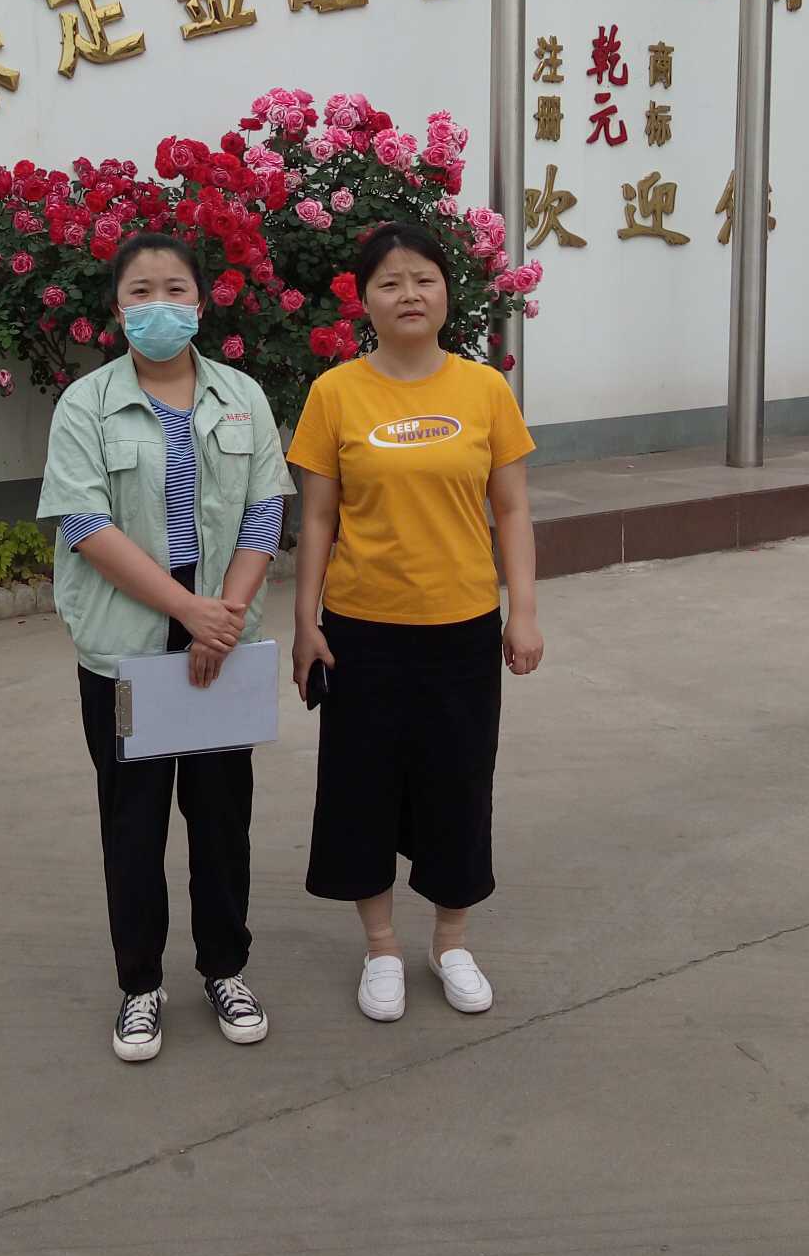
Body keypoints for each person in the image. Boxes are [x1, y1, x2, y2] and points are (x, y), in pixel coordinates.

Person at [39, 232, 295, 1063]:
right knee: (133, 819)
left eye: (175, 289)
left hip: (224, 634)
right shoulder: (86, 404)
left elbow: (265, 509)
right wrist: (188, 610)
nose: (159, 305)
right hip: (129, 647)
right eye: (141, 291)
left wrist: (226, 617)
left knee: (222, 818)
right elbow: (84, 523)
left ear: (202, 302)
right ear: (117, 310)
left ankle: (226, 968)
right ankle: (139, 985)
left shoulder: (242, 396)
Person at [288, 221, 543, 1022]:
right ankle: (382, 949)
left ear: (447, 292)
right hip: (360, 628)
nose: (409, 294)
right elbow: (318, 518)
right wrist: (305, 620)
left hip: (462, 625)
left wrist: (523, 611)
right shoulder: (335, 394)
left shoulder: (485, 390)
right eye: (390, 282)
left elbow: (511, 509)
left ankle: (452, 942)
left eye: (424, 278)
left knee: (458, 785)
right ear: (364, 300)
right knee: (362, 788)